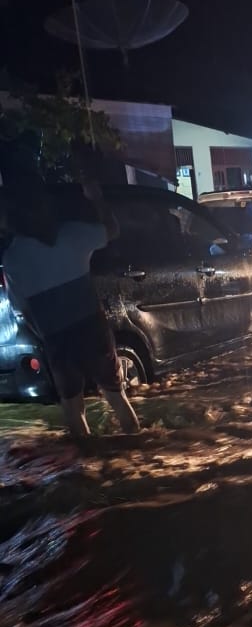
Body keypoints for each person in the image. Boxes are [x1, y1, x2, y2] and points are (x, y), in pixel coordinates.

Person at [1, 175, 140, 440]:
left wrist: (46, 336)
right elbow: (112, 229)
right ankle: (138, 452)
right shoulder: (72, 236)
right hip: (91, 328)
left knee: (73, 409)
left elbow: (24, 311)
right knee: (116, 398)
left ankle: (87, 472)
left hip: (56, 337)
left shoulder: (14, 258)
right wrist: (96, 199)